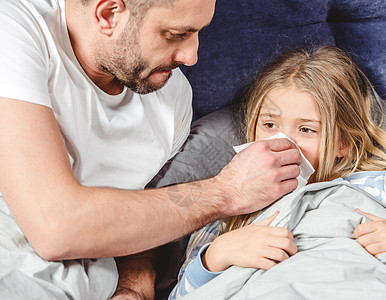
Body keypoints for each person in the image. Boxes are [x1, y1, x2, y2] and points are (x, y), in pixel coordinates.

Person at [0, 0, 303, 299]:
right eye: (175, 34)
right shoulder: (15, 29)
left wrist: (134, 286)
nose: (192, 56)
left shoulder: (172, 96)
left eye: (197, 32)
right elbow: (56, 228)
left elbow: (147, 215)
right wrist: (226, 192)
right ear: (108, 15)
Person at [168, 45, 386, 299]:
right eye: (269, 125)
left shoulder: (376, 186)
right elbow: (183, 292)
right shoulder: (232, 203)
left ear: (343, 143)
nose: (281, 141)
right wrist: (219, 253)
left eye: (306, 130)